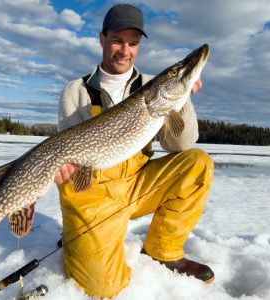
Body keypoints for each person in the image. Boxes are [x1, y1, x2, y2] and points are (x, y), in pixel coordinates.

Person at [55, 3, 214, 298]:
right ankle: (82, 237)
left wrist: (184, 96)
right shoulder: (75, 91)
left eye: (133, 43)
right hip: (94, 194)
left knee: (197, 164)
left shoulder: (153, 85)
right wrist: (66, 168)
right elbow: (68, 154)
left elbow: (180, 145)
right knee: (102, 288)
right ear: (102, 38)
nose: (124, 50)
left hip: (137, 186)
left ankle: (163, 250)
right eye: (117, 40)